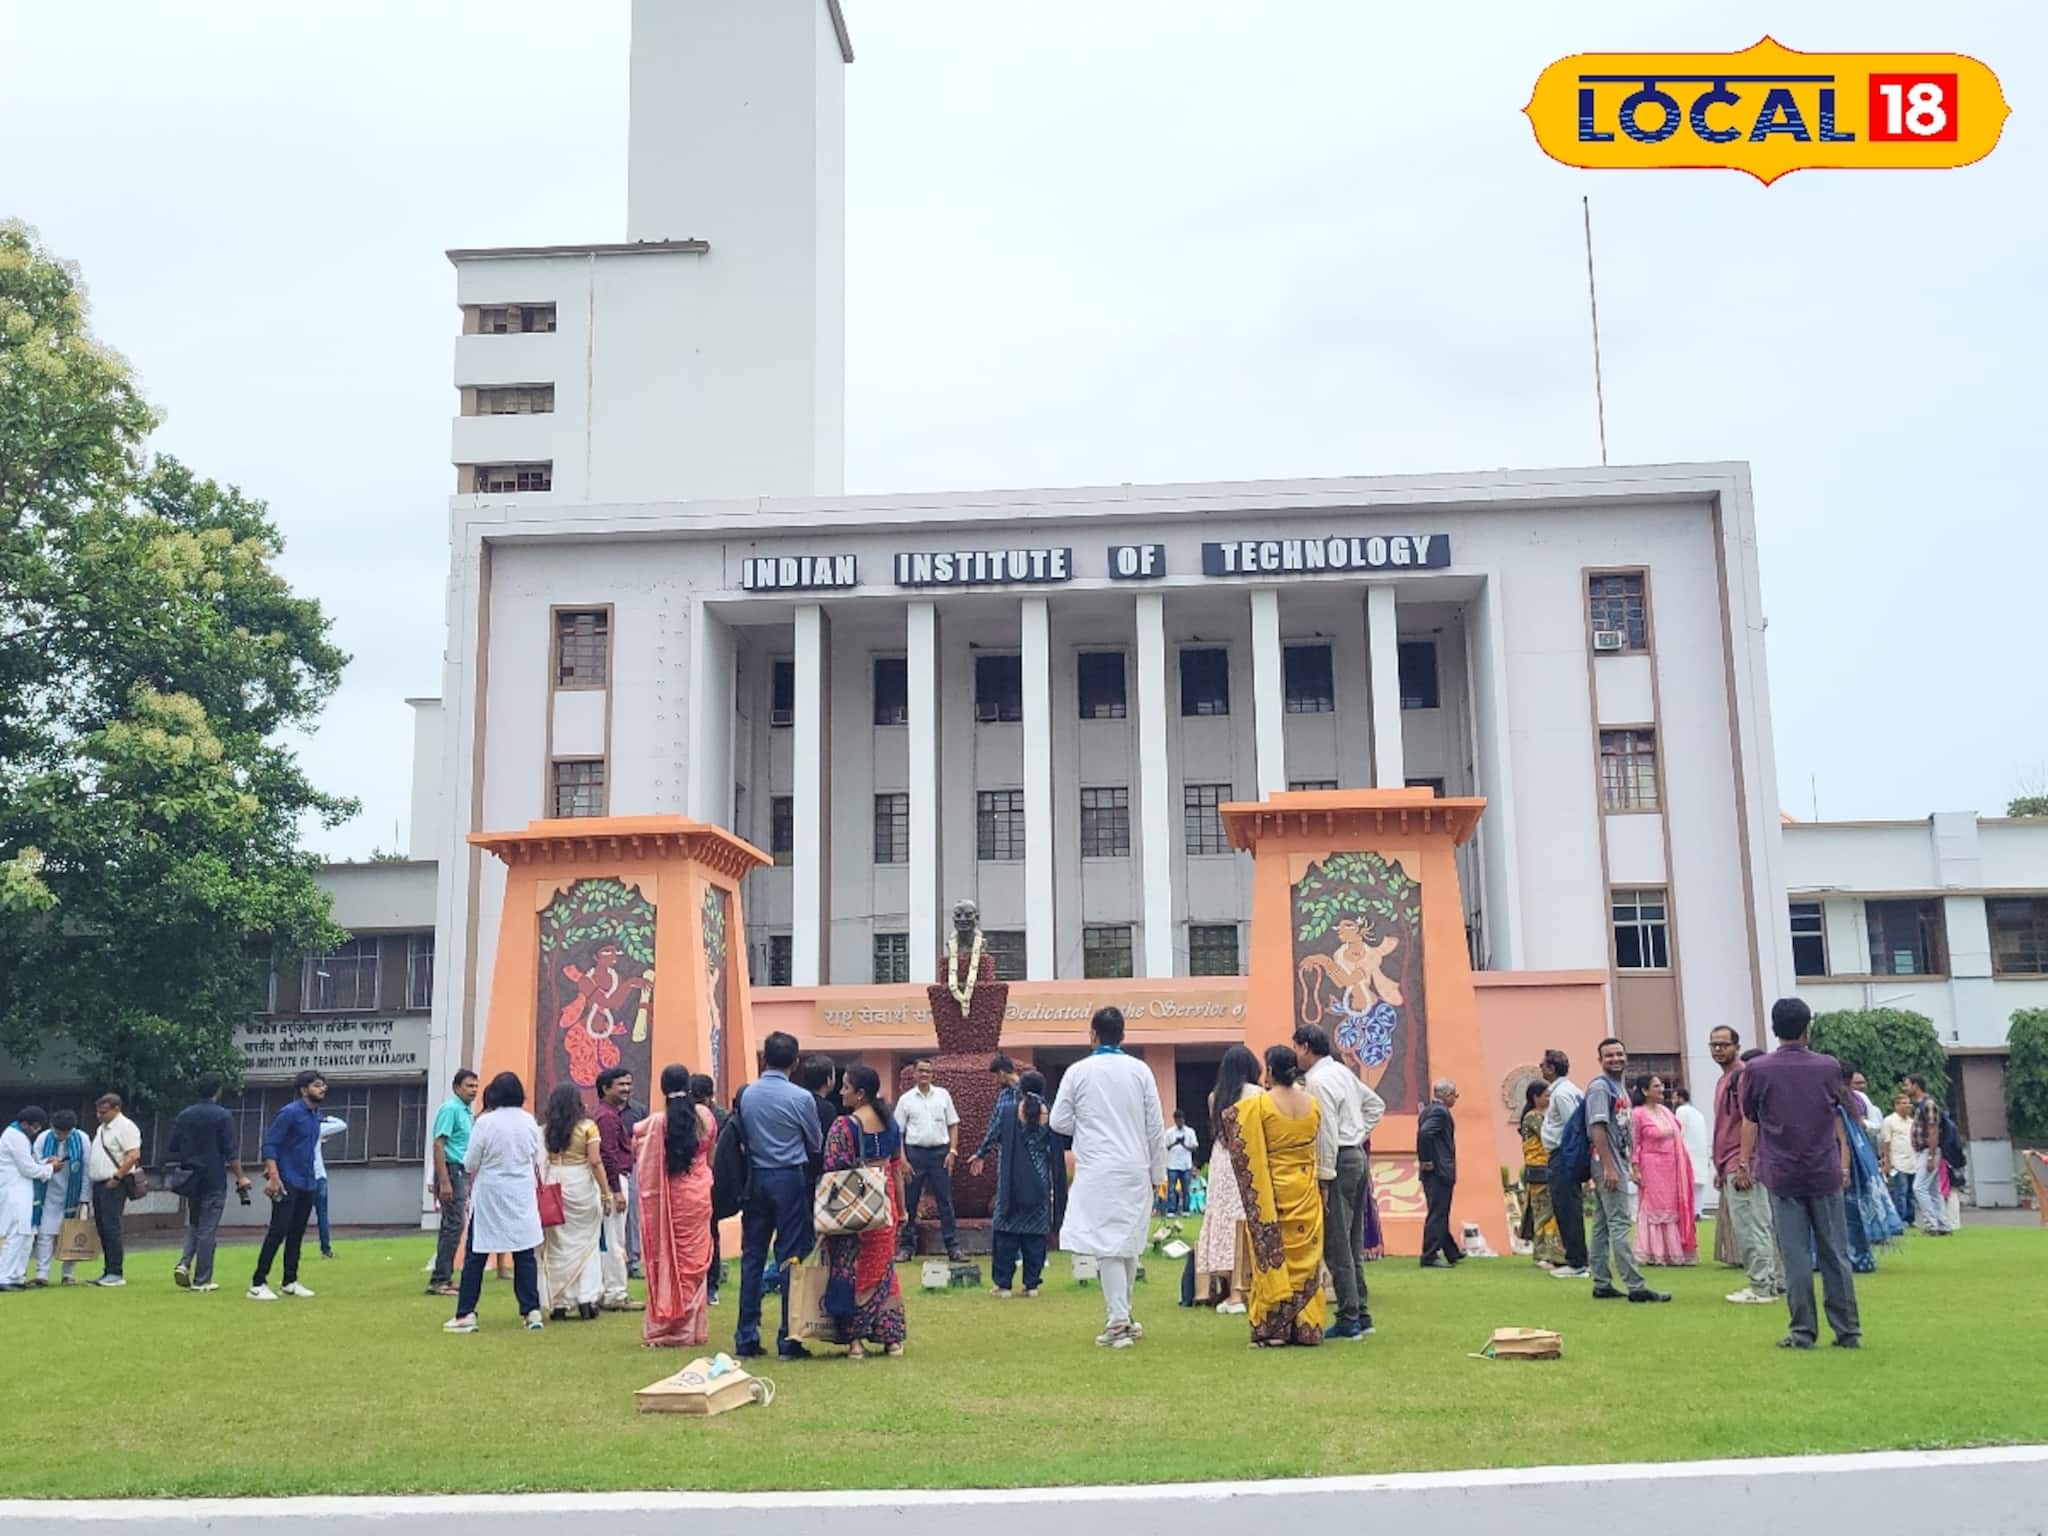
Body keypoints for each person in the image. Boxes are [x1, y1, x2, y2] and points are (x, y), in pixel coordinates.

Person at [1741, 998, 1860, 1350]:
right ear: (1808, 1028)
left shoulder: (1757, 1070)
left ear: (1775, 1029)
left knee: (1795, 1258)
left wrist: (1745, 1161)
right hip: (1823, 1170)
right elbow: (1841, 1110)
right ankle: (1848, 1330)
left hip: (1782, 1174)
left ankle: (1802, 1331)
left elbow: (1750, 1116)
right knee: (1835, 1254)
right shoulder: (1829, 1067)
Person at [1048, 1007, 1166, 1349]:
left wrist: (1086, 1125)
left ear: (1093, 1034)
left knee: (1109, 1245)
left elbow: (1058, 1121)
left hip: (1099, 1166)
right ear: (1123, 1035)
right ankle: (1124, 1315)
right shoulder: (1140, 1070)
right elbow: (1155, 1126)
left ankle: (1118, 1320)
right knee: (1126, 1243)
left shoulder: (1078, 1072)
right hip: (1135, 1166)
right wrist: (1158, 1172)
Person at [1216, 1046, 1325, 1347]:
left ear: (1271, 1071)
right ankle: (1307, 1327)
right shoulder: (1313, 1105)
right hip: (1305, 1189)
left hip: (1273, 1192)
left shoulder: (1259, 1106)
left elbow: (1233, 1130)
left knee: (1273, 1257)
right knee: (1305, 1257)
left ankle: (1274, 1330)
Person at [736, 1031, 823, 1360]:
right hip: (788, 1177)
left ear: (764, 1059)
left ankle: (746, 1336)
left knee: (752, 1257)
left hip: (755, 1178)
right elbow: (815, 1142)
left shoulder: (747, 1094)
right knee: (790, 1258)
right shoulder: (801, 1098)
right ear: (795, 1062)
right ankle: (789, 1337)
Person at [1295, 1022, 1382, 1337]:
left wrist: (1324, 1176)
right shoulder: (1343, 1073)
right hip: (1355, 1156)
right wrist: (1358, 1133)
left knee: (1337, 1243)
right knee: (1353, 1239)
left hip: (1339, 1162)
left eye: (1297, 1049)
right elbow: (1375, 1105)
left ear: (1305, 1047)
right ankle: (1361, 1312)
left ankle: (1348, 1317)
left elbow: (1327, 1133)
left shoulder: (1317, 1081)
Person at [445, 1071, 546, 1333]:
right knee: (524, 1254)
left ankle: (466, 1313)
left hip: (491, 1195)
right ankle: (532, 1311)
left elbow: (470, 1162)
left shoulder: (485, 1123)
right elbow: (538, 1159)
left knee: (476, 1254)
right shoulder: (529, 1121)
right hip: (522, 1193)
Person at [821, 1064, 909, 1356]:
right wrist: (903, 1210)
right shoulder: (891, 1125)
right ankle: (891, 1339)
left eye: (846, 1086)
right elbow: (896, 1169)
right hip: (885, 1205)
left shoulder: (843, 1126)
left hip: (854, 1206)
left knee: (851, 1269)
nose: (841, 1091)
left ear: (860, 1094)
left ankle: (855, 1341)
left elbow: (832, 1169)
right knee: (883, 1270)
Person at [637, 1063, 718, 1348]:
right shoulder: (705, 1117)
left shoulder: (657, 1124)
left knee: (671, 1259)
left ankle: (670, 1328)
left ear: (662, 1088)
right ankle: (691, 1330)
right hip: (699, 1194)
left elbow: (636, 1136)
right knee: (694, 1263)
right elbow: (710, 1156)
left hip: (671, 1196)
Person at [1585, 1038, 1669, 1303]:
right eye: (1609, 1055)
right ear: (1600, 1060)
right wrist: (1609, 1167)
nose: (1615, 1059)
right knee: (1620, 1223)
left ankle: (1601, 1282)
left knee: (1601, 1225)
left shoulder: (1618, 1087)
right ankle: (1636, 1285)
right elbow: (1597, 1128)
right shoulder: (1600, 1088)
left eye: (1619, 1054)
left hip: (1615, 1161)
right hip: (1608, 1164)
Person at [1712, 1028, 1782, 1305]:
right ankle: (1773, 1280)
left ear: (1737, 1046)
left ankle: (1762, 1285)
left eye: (1724, 1045)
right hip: (1729, 1160)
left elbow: (1749, 1120)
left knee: (1751, 1226)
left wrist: (1744, 1162)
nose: (1718, 1050)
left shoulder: (1743, 1077)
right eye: (1714, 1045)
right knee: (1759, 1224)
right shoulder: (1725, 1079)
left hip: (1742, 1162)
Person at [248, 1071, 327, 1301]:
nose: (323, 1089)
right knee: (278, 1231)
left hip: (307, 1181)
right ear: (304, 1089)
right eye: (317, 1085)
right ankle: (257, 1282)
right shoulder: (290, 1113)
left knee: (296, 1233)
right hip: (286, 1180)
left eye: (324, 1085)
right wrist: (273, 1175)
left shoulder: (315, 1116)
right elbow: (271, 1145)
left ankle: (289, 1281)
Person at [1195, 1044, 1262, 1312]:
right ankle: (1242, 1288)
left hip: (1222, 1160)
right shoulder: (1258, 1094)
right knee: (1246, 1217)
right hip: (1248, 1159)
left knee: (1221, 1217)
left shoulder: (1216, 1096)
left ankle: (1229, 1288)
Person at [168, 1076, 248, 1292]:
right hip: (213, 1176)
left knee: (195, 1223)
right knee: (208, 1228)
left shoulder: (184, 1115)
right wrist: (240, 1176)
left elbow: (173, 1145)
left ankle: (184, 1263)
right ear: (218, 1091)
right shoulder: (223, 1115)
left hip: (190, 1177)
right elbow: (231, 1151)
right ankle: (202, 1279)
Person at [539, 1081, 607, 1321]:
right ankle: (586, 1299)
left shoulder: (546, 1131)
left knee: (557, 1245)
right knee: (587, 1245)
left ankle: (559, 1302)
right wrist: (606, 1193)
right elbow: (596, 1162)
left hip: (555, 1183)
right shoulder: (588, 1127)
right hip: (581, 1185)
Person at [990, 1070, 1057, 1299]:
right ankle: (1031, 1285)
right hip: (1039, 1178)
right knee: (1035, 1236)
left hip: (1012, 1178)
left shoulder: (1009, 1111)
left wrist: (979, 1154)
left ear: (1020, 1088)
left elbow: (994, 1135)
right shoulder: (1049, 1112)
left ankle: (1004, 1285)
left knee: (1006, 1232)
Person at [894, 1059, 963, 1263]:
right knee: (910, 1202)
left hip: (940, 1154)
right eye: (921, 1071)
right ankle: (906, 1247)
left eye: (928, 1071)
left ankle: (953, 1248)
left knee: (945, 1202)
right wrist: (902, 1159)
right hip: (914, 1154)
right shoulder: (906, 1100)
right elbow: (898, 1132)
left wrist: (953, 1150)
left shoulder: (943, 1096)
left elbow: (954, 1124)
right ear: (914, 1074)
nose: (925, 1074)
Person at [1837, 1063, 1903, 1272]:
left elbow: (1871, 1127)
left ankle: (1853, 1257)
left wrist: (1845, 1167)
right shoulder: (1849, 1100)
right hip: (1858, 1158)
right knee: (1853, 1210)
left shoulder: (1843, 1102)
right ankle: (1859, 1257)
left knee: (1848, 1211)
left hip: (1851, 1160)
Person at [1629, 1074, 1697, 1266]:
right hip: (1651, 1165)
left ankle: (1676, 1251)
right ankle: (1653, 1252)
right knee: (1654, 1207)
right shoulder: (1638, 1114)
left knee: (1672, 1206)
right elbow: (1635, 1143)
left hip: (1673, 1165)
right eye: (1656, 1086)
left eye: (1661, 1086)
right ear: (1645, 1091)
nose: (1661, 1090)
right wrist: (1635, 1168)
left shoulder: (1666, 1111)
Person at [591, 1067, 643, 1314]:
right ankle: (616, 1294)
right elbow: (607, 1155)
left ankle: (604, 1290)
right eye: (620, 1084)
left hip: (614, 1180)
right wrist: (615, 1190)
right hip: (615, 1181)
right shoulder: (607, 1118)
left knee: (608, 1240)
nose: (626, 1089)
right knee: (614, 1240)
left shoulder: (603, 1114)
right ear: (605, 1088)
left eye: (628, 1084)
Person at [426, 1069, 479, 1297]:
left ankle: (443, 1277)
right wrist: (444, 1181)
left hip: (461, 1171)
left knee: (453, 1224)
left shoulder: (467, 1111)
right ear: (456, 1087)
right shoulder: (450, 1109)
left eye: (476, 1086)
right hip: (451, 1170)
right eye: (469, 1086)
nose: (474, 1090)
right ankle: (440, 1280)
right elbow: (439, 1145)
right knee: (454, 1224)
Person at [1538, 1049, 1589, 1279]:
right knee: (1566, 1207)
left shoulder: (1562, 1094)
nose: (1541, 1068)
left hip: (1564, 1154)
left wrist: (1572, 1157)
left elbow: (1573, 1126)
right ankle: (1575, 1258)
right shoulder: (1568, 1090)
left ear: (1551, 1068)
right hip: (1563, 1154)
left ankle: (1577, 1261)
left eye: (1544, 1065)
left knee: (1567, 1208)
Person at [85, 1092, 142, 1288]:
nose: (99, 1115)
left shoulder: (125, 1127)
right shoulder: (103, 1129)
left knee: (111, 1226)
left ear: (116, 1109)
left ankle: (116, 1271)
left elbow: (133, 1154)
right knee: (102, 1226)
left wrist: (118, 1176)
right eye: (98, 1112)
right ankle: (108, 1270)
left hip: (115, 1182)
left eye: (104, 1112)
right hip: (100, 1182)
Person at [30, 1109, 88, 1287]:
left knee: (71, 1232)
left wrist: (85, 1198)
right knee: (45, 1234)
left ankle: (68, 1274)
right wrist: (47, 1163)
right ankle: (42, 1274)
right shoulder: (43, 1138)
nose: (61, 1136)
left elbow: (86, 1171)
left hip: (72, 1193)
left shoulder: (82, 1139)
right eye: (58, 1132)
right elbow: (32, 1163)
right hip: (48, 1192)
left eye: (65, 1133)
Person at [0, 1108, 54, 1291]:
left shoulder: (19, 1136)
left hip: (22, 1191)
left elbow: (29, 1165)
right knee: (15, 1233)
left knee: (26, 1234)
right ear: (25, 1124)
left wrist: (46, 1164)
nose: (37, 1130)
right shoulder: (15, 1136)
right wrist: (50, 1169)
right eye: (35, 1126)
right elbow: (28, 1169)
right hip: (14, 1191)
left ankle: (17, 1275)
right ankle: (4, 1276)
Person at [1416, 1079, 1463, 1269]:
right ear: (1446, 1095)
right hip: (1439, 1170)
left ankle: (1451, 1250)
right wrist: (1426, 1160)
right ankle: (1429, 1255)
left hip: (1434, 1170)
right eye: (1454, 1095)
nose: (1456, 1099)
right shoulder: (1440, 1112)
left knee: (1440, 1210)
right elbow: (1425, 1134)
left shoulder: (1428, 1109)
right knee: (1438, 1212)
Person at [690, 1074, 728, 1304]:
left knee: (710, 1233)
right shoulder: (685, 1115)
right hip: (694, 1181)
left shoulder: (721, 1118)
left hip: (711, 1181)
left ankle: (711, 1284)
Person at [1519, 1083, 1565, 1268]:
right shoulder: (1534, 1118)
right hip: (1540, 1169)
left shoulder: (1541, 1116)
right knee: (1543, 1213)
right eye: (1546, 1095)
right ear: (1535, 1097)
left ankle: (1550, 1252)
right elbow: (1549, 1137)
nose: (1549, 1099)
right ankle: (1543, 1255)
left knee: (1548, 1212)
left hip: (1545, 1169)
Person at [1904, 1074, 1955, 1236]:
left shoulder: (1928, 1104)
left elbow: (1933, 1130)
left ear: (1916, 1085)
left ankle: (1931, 1225)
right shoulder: (1920, 1105)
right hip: (1924, 1151)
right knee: (1933, 1190)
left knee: (1918, 1187)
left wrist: (1932, 1155)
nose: (1905, 1089)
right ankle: (1943, 1225)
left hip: (1928, 1150)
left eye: (1907, 1085)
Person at [967, 1056, 1022, 1179]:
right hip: (1007, 1150)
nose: (995, 1081)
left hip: (1020, 1151)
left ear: (1001, 1073)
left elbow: (997, 1125)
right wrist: (981, 1152)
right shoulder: (1004, 1094)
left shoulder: (1022, 1093)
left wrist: (981, 1152)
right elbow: (994, 1124)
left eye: (995, 1076)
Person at [1672, 1085, 1713, 1220]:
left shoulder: (1681, 1110)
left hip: (1688, 1152)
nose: (1672, 1101)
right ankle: (1697, 1211)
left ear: (1681, 1098)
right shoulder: (1698, 1113)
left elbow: (1679, 1132)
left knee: (1687, 1184)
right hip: (1700, 1154)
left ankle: (1689, 1212)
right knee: (1698, 1185)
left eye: (1674, 1097)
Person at [310, 1110, 347, 1259]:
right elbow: (342, 1125)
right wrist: (326, 1119)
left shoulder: (297, 1130)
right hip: (319, 1177)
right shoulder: (317, 1128)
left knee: (297, 1216)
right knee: (322, 1215)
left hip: (302, 1176)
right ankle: (326, 1250)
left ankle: (293, 1249)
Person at [1879, 1090, 1918, 1228]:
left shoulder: (1912, 1122)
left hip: (1913, 1161)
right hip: (1898, 1161)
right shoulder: (1889, 1121)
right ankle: (1900, 1219)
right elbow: (1886, 1143)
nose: (1907, 1106)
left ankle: (1910, 1218)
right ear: (1896, 1105)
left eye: (1908, 1103)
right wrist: (1887, 1162)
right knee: (1901, 1191)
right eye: (1903, 1103)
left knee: (1911, 1192)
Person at [1163, 1110, 1199, 1216]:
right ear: (1175, 1120)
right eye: (1178, 1120)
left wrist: (1184, 1145)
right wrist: (1175, 1143)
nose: (1180, 1122)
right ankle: (1171, 1210)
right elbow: (1165, 1147)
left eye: (1181, 1120)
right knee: (1171, 1189)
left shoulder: (1190, 1132)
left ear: (1184, 1120)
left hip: (1185, 1165)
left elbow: (1195, 1147)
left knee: (1186, 1189)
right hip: (1172, 1165)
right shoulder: (1169, 1132)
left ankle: (1186, 1210)